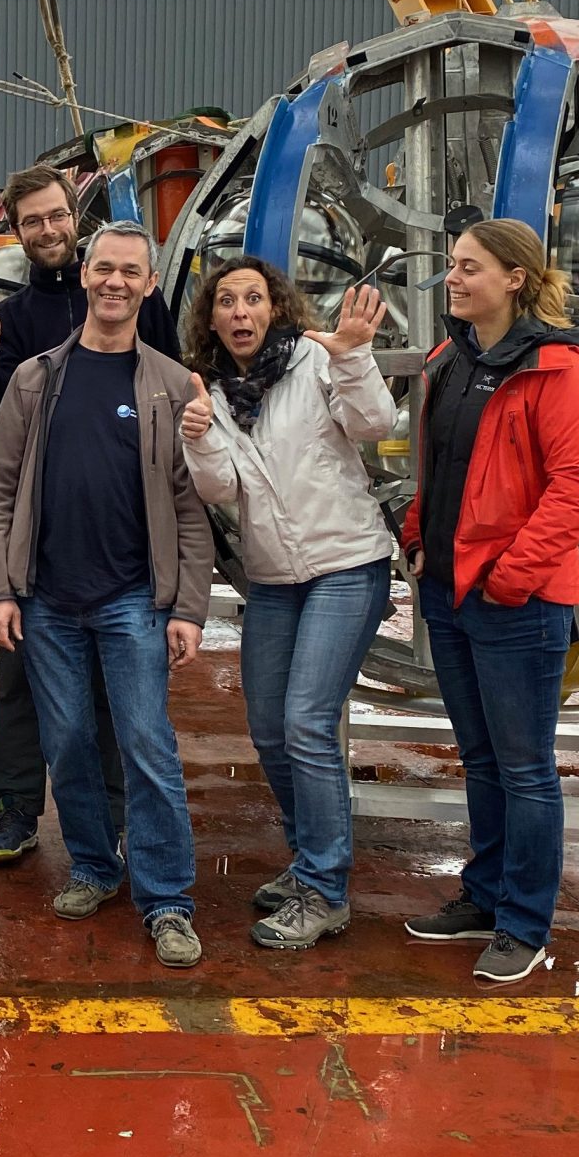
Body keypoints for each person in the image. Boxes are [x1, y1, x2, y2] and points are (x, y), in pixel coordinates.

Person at [0, 221, 215, 970]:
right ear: (84, 275)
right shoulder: (35, 378)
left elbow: (189, 508)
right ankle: (93, 865)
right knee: (69, 742)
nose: (115, 282)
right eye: (104, 268)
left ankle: (167, 899)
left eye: (131, 272)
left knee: (147, 746)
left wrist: (188, 607)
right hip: (47, 601)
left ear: (150, 285)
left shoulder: (170, 384)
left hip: (133, 600)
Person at [398, 217, 579, 987]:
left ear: (516, 278)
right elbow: (438, 466)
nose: (453, 279)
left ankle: (524, 924)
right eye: (453, 265)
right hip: (451, 591)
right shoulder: (450, 359)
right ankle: (484, 897)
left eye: (470, 268)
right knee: (481, 758)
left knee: (524, 768)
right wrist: (418, 538)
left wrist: (512, 575)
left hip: (517, 601)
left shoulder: (557, 368)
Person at [0, 163, 178, 866]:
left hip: (121, 541)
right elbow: (5, 430)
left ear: (75, 220)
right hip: (43, 542)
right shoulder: (10, 322)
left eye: (57, 215)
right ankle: (15, 808)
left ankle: (112, 820)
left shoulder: (141, 303)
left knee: (120, 699)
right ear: (16, 231)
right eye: (33, 220)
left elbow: (172, 394)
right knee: (21, 685)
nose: (48, 228)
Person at [180, 258, 396, 950]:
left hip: (346, 564)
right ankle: (310, 863)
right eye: (226, 302)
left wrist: (355, 356)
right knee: (269, 728)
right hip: (274, 578)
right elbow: (219, 488)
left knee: (307, 721)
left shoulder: (315, 361)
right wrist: (198, 434)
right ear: (212, 319)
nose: (240, 312)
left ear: (274, 307)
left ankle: (326, 889)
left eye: (253, 298)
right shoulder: (210, 390)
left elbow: (376, 421)